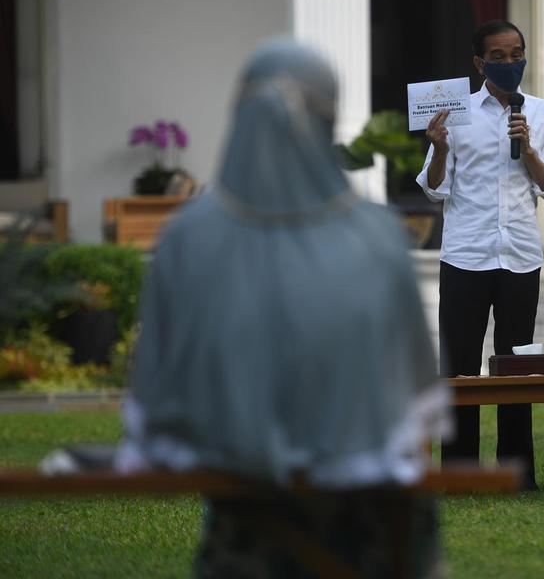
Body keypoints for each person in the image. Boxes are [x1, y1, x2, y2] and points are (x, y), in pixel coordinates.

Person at [116, 39, 450, 578]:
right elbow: (410, 391)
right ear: (330, 120)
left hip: (242, 512)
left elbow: (157, 385)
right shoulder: (375, 239)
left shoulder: (188, 240)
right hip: (368, 518)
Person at [416, 19, 544, 491]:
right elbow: (436, 188)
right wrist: (438, 149)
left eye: (516, 53)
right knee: (459, 366)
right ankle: (460, 473)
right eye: (498, 56)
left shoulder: (541, 113)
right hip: (466, 254)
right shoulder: (454, 112)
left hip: (520, 253)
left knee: (516, 364)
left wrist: (532, 151)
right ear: (480, 63)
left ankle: (516, 471)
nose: (509, 63)